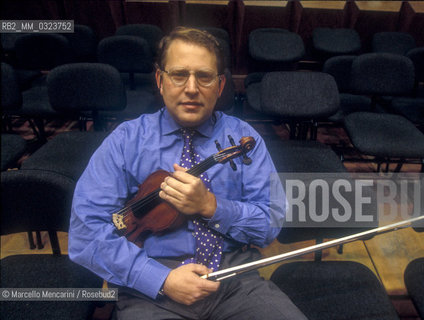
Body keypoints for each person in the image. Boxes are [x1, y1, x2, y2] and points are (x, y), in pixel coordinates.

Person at [69, 27, 307, 320]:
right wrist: (160, 279)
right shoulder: (126, 140)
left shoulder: (243, 138)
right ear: (160, 80)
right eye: (179, 74)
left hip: (234, 280)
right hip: (150, 287)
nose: (192, 88)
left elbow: (271, 223)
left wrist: (212, 206)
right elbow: (86, 232)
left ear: (219, 86)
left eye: (204, 76)